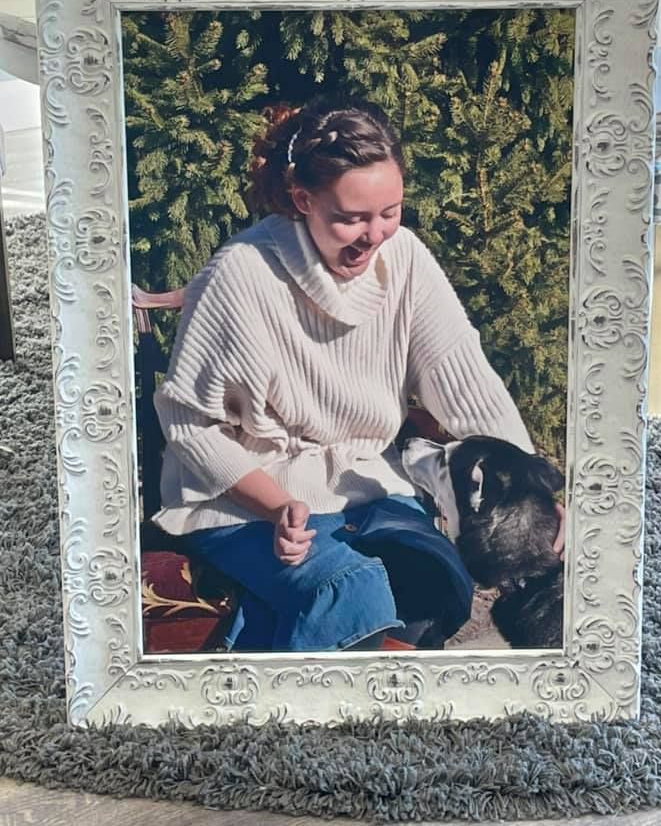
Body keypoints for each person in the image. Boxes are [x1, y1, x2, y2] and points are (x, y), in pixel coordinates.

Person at [152, 96, 560, 653]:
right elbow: (189, 424)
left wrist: (532, 490)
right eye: (352, 218)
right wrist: (276, 507)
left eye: (390, 212)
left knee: (433, 584)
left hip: (366, 481)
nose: (375, 234)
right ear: (303, 200)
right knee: (352, 591)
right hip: (248, 493)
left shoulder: (406, 260)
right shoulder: (242, 275)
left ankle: (273, 643)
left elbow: (466, 380)